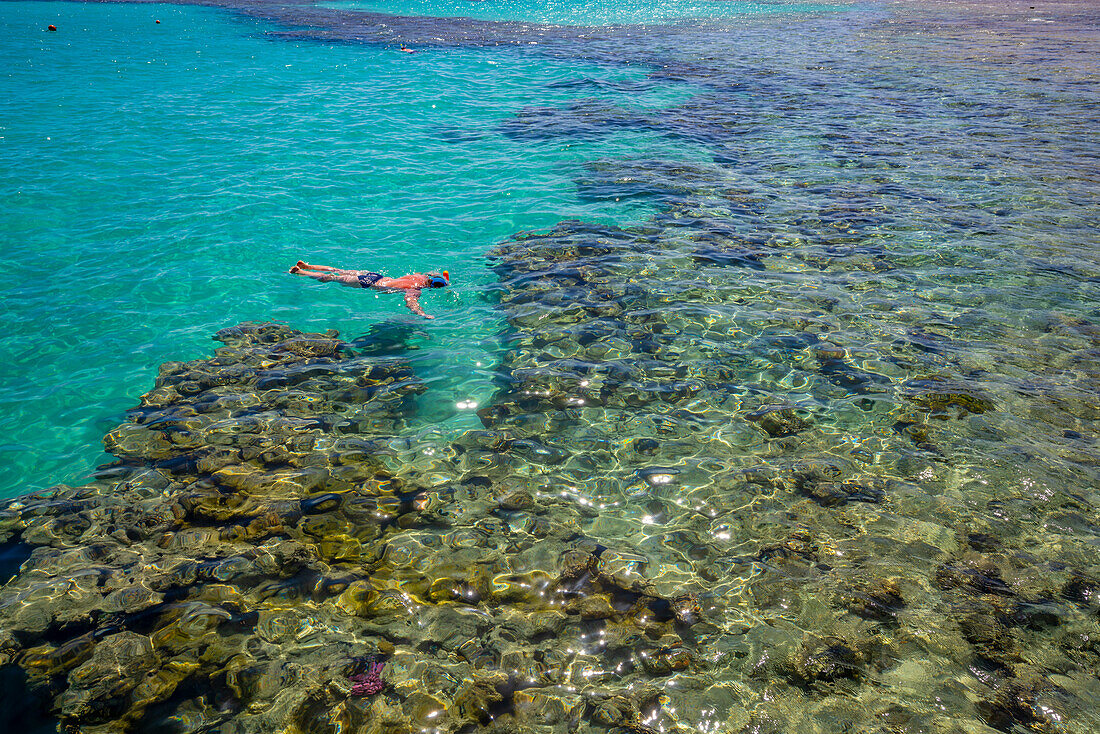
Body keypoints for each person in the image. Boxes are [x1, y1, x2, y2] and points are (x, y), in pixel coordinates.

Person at [289, 261, 449, 319]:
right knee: (331, 278)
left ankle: (309, 266)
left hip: (375, 276)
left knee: (337, 270)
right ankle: (301, 272)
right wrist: (422, 314)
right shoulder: (416, 290)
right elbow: (410, 303)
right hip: (371, 283)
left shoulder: (419, 276)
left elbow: (432, 273)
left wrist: (441, 276)